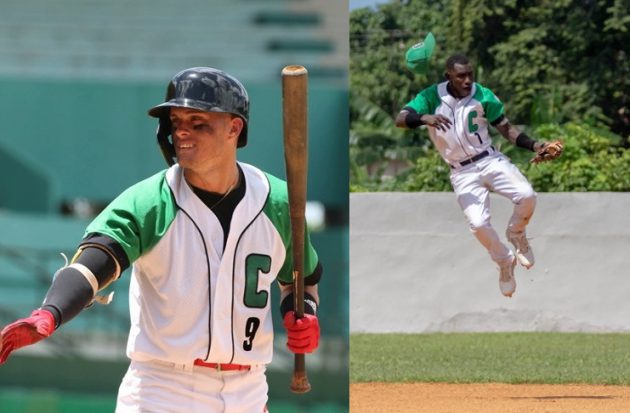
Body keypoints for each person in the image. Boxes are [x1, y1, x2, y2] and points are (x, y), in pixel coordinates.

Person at [0, 67, 322, 412]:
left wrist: (303, 312)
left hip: (250, 389)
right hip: (163, 389)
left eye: (197, 122)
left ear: (233, 128)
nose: (182, 131)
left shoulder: (278, 203)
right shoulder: (150, 201)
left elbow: (302, 281)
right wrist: (51, 312)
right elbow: (95, 261)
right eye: (175, 120)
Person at [395, 53, 556, 298]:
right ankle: (504, 261)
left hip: (489, 159)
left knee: (527, 194)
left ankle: (516, 233)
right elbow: (400, 119)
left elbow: (507, 129)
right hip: (461, 172)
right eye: (461, 75)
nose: (468, 79)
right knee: (478, 224)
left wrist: (535, 145)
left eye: (470, 74)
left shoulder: (483, 95)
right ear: (448, 75)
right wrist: (423, 117)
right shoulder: (430, 96)